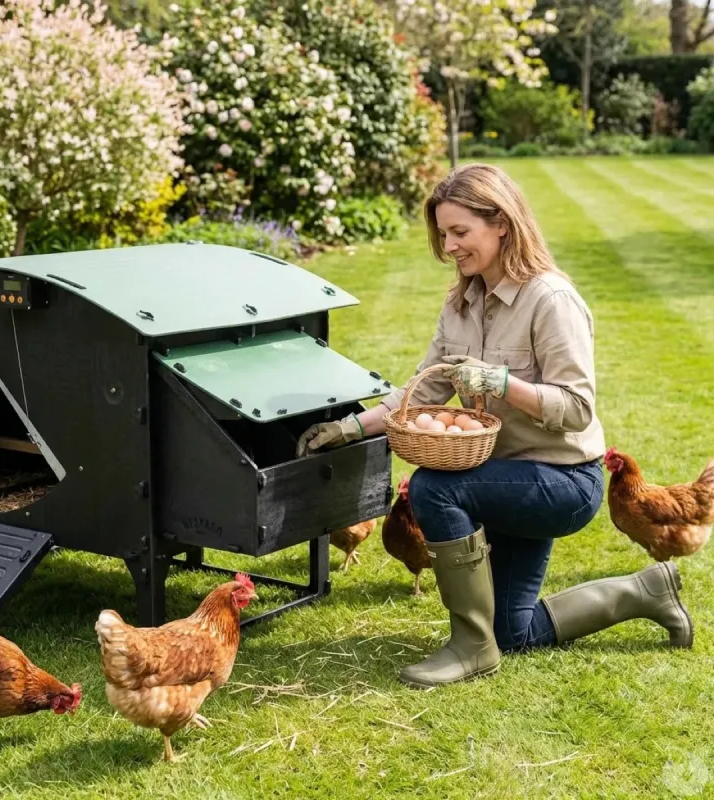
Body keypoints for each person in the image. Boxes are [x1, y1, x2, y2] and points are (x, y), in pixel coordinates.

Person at [296, 163, 693, 689]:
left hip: (563, 481)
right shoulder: (461, 303)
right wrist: (350, 427)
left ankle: (469, 647)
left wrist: (502, 382)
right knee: (515, 629)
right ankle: (645, 592)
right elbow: (424, 390)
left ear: (501, 223)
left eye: (460, 231)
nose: (450, 246)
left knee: (435, 490)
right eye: (443, 235)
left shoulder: (550, 301)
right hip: (505, 478)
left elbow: (576, 407)